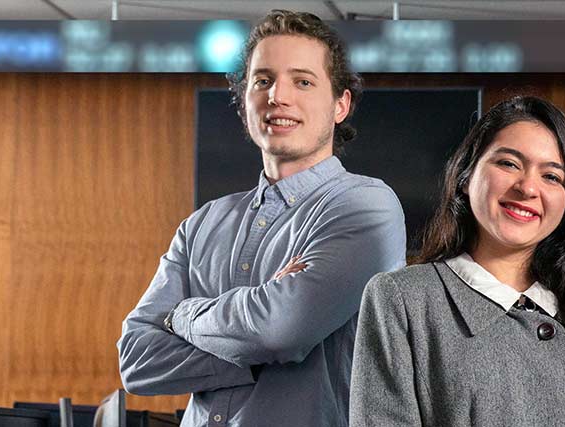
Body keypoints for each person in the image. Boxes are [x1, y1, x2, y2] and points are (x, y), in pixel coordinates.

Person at [116, 10, 405, 427]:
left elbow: (279, 330)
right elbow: (136, 361)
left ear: (341, 104)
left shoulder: (365, 206)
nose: (278, 96)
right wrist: (256, 346)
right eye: (263, 80)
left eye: (303, 81)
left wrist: (181, 316)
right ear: (245, 98)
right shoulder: (201, 225)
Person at [349, 96, 565, 427]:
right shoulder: (403, 300)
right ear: (466, 176)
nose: (527, 188)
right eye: (509, 163)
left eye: (552, 177)